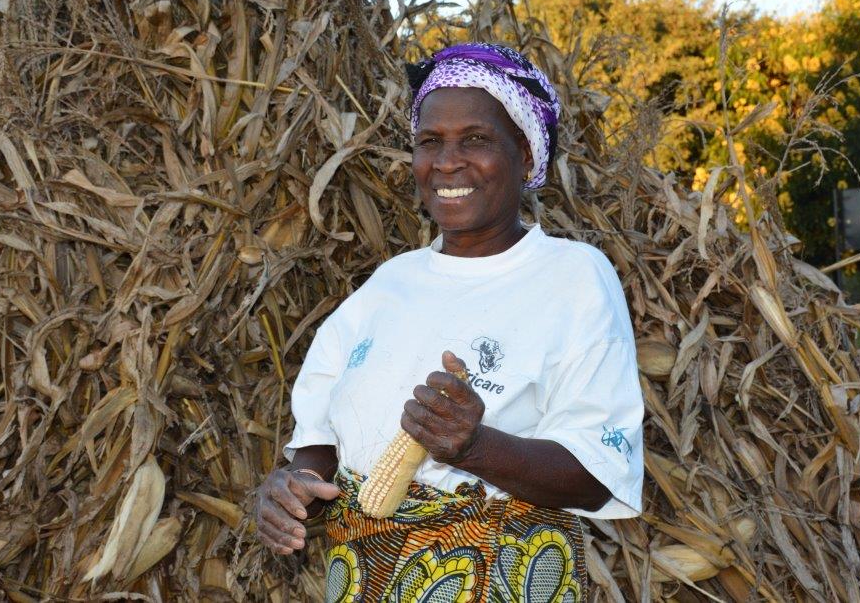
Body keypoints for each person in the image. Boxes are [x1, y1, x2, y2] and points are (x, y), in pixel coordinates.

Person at [255, 43, 644, 601]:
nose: (447, 161)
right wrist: (290, 493)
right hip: (365, 579)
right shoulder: (386, 287)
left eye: (477, 140)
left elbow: (598, 473)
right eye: (429, 142)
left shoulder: (572, 277)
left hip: (503, 577)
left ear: (528, 157)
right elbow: (320, 451)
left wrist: (472, 446)